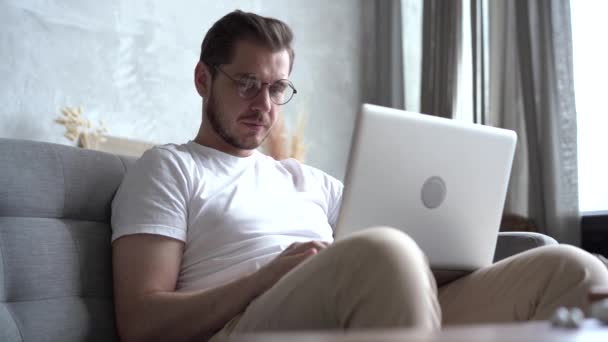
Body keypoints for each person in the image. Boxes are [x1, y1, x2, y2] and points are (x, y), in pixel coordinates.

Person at [110, 10, 608, 342]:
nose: (263, 105)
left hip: (364, 313)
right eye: (246, 84)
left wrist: (454, 254)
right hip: (246, 326)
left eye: (277, 87)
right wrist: (268, 276)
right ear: (203, 79)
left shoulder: (305, 180)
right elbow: (141, 321)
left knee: (571, 269)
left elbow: (393, 271)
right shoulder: (169, 169)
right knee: (381, 250)